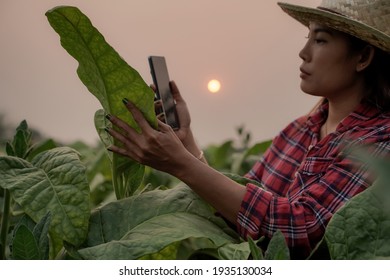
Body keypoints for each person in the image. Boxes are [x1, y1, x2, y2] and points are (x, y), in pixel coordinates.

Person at [105, 0, 390, 259]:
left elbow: (299, 231)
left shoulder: (378, 141)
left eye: (321, 41)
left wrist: (181, 165)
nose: (303, 53)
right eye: (308, 38)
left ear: (363, 57)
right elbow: (239, 202)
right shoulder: (298, 131)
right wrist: (186, 143)